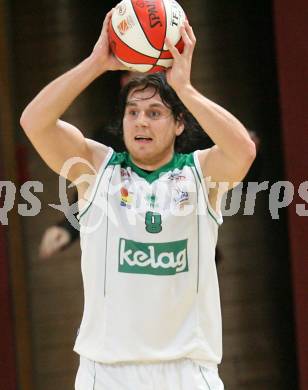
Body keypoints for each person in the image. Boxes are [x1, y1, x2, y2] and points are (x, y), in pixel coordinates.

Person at [20, 9, 256, 390]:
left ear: (179, 123)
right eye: (133, 112)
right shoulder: (95, 168)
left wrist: (186, 89)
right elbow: (34, 121)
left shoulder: (202, 172)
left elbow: (243, 150)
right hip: (107, 372)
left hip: (186, 370)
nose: (141, 121)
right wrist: (97, 63)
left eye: (154, 112)